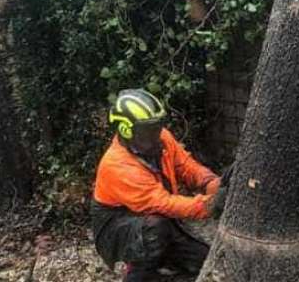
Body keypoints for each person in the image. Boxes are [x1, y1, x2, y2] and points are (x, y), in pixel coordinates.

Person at [91, 88, 227, 282]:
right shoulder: (118, 165)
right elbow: (163, 203)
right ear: (126, 130)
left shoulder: (160, 138)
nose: (156, 134)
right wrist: (209, 205)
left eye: (156, 126)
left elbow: (186, 166)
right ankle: (137, 275)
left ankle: (161, 265)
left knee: (202, 260)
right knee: (155, 227)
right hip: (117, 227)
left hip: (156, 221)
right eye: (148, 130)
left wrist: (210, 182)